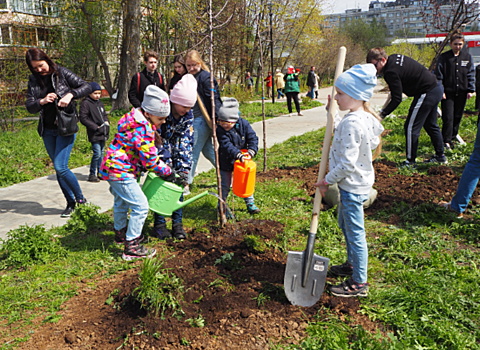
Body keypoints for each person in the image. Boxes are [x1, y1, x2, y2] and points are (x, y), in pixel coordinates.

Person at [314, 64, 384, 297]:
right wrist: (330, 113)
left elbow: (347, 164)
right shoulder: (360, 118)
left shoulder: (353, 122)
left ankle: (359, 283)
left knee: (355, 233)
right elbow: (344, 137)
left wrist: (326, 181)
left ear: (355, 95)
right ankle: (352, 265)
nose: (336, 97)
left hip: (352, 186)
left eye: (340, 93)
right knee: (345, 225)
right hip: (354, 184)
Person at [100, 86, 181, 260]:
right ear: (148, 113)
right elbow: (150, 160)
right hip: (121, 171)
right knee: (140, 206)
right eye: (161, 118)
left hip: (115, 167)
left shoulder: (133, 118)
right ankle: (132, 246)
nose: (164, 122)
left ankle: (121, 234)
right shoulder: (141, 129)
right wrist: (168, 172)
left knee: (121, 202)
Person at [25, 48, 91, 218]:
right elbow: (30, 105)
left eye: (40, 65)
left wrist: (70, 95)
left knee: (61, 167)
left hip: (65, 127)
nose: (39, 70)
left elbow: (87, 86)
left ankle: (81, 200)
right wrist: (41, 101)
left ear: (46, 59)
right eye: (35, 68)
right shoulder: (33, 80)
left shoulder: (61, 73)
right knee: (58, 169)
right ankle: (70, 203)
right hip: (47, 130)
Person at [367, 47, 445, 168]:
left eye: (375, 66)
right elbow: (395, 92)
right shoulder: (393, 58)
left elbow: (397, 99)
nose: (375, 70)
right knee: (430, 124)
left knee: (410, 126)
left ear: (382, 60)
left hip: (427, 91)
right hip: (435, 88)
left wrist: (382, 114)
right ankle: (440, 156)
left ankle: (410, 162)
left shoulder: (390, 72)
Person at [153, 74, 197, 240]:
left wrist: (184, 168)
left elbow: (186, 140)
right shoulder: (162, 112)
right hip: (161, 151)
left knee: (178, 186)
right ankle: (159, 224)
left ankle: (177, 224)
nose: (186, 109)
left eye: (189, 106)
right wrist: (164, 162)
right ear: (173, 100)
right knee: (161, 188)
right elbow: (156, 138)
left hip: (178, 152)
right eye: (183, 105)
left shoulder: (188, 116)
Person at [184, 49, 223, 186]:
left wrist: (217, 120)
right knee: (209, 151)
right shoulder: (190, 77)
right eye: (188, 66)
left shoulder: (206, 77)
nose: (191, 68)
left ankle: (186, 185)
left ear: (200, 62)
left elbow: (214, 100)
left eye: (194, 65)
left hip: (203, 119)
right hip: (195, 118)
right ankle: (228, 173)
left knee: (192, 151)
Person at [217, 98, 260, 215]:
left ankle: (250, 203)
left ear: (234, 120)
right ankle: (222, 206)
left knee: (246, 181)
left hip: (243, 162)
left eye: (225, 122)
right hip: (226, 161)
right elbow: (226, 145)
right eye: (219, 121)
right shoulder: (220, 130)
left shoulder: (244, 125)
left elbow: (253, 138)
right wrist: (238, 155)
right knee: (225, 185)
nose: (222, 124)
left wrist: (251, 152)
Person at [435, 32, 475, 151]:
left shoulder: (467, 58)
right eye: (455, 44)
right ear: (450, 44)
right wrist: (441, 90)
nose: (458, 46)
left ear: (463, 44)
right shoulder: (444, 57)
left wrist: (471, 89)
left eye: (460, 44)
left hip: (462, 92)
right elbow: (439, 75)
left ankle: (452, 137)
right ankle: (446, 140)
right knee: (448, 117)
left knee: (457, 116)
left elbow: (471, 74)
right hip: (448, 93)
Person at [79, 82, 109, 183]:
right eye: (95, 93)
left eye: (99, 93)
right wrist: (95, 127)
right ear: (89, 93)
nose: (97, 95)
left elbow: (104, 114)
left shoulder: (99, 103)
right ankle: (92, 174)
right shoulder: (86, 103)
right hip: (94, 132)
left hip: (103, 131)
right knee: (97, 153)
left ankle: (100, 172)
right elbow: (83, 118)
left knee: (101, 153)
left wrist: (106, 122)